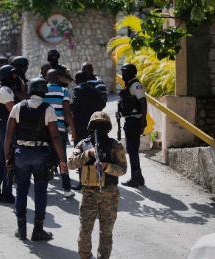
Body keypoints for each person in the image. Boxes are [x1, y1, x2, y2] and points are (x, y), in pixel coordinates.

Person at [4, 77, 68, 241]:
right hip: (41, 155)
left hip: (21, 155)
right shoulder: (48, 109)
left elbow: (9, 136)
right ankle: (38, 230)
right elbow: (55, 137)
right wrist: (62, 160)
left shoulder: (17, 107)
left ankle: (22, 230)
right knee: (40, 192)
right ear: (43, 91)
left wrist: (7, 159)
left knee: (21, 192)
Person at [68, 111, 127, 259]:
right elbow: (70, 164)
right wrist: (88, 154)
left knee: (106, 233)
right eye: (96, 125)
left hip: (110, 194)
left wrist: (107, 166)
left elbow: (123, 169)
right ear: (91, 127)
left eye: (102, 125)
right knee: (85, 230)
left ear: (108, 128)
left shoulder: (115, 145)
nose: (99, 129)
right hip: (89, 193)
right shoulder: (83, 144)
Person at [70, 71, 106, 190]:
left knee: (81, 153)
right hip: (94, 125)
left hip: (80, 126)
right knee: (95, 152)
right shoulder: (94, 89)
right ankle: (95, 180)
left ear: (76, 80)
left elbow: (74, 106)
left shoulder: (77, 90)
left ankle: (82, 182)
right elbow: (102, 103)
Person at [44, 69, 76, 198]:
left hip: (44, 131)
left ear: (47, 78)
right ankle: (67, 189)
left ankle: (43, 189)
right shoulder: (63, 91)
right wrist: (73, 130)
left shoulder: (42, 90)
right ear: (58, 78)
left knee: (44, 160)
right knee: (62, 159)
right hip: (60, 131)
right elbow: (67, 113)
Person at [0, 65, 19, 203]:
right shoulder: (5, 90)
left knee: (1, 161)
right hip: (5, 127)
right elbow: (14, 111)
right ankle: (6, 194)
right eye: (12, 75)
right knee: (9, 160)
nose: (15, 78)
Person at [118, 63, 147, 188]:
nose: (123, 74)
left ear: (130, 72)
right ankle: (137, 177)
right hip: (130, 121)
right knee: (131, 150)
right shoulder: (130, 84)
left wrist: (143, 121)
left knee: (132, 150)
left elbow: (143, 102)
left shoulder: (135, 85)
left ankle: (137, 178)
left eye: (124, 71)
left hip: (134, 121)